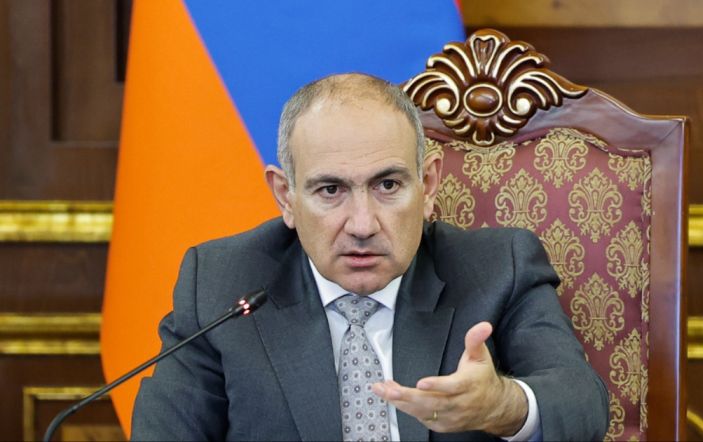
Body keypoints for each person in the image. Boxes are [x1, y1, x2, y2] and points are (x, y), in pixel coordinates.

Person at [131, 73, 609, 441]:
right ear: (285, 197)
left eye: (387, 185)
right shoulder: (220, 282)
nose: (362, 224)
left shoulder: (498, 267)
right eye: (330, 190)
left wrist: (502, 406)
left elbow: (582, 404)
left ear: (428, 185)